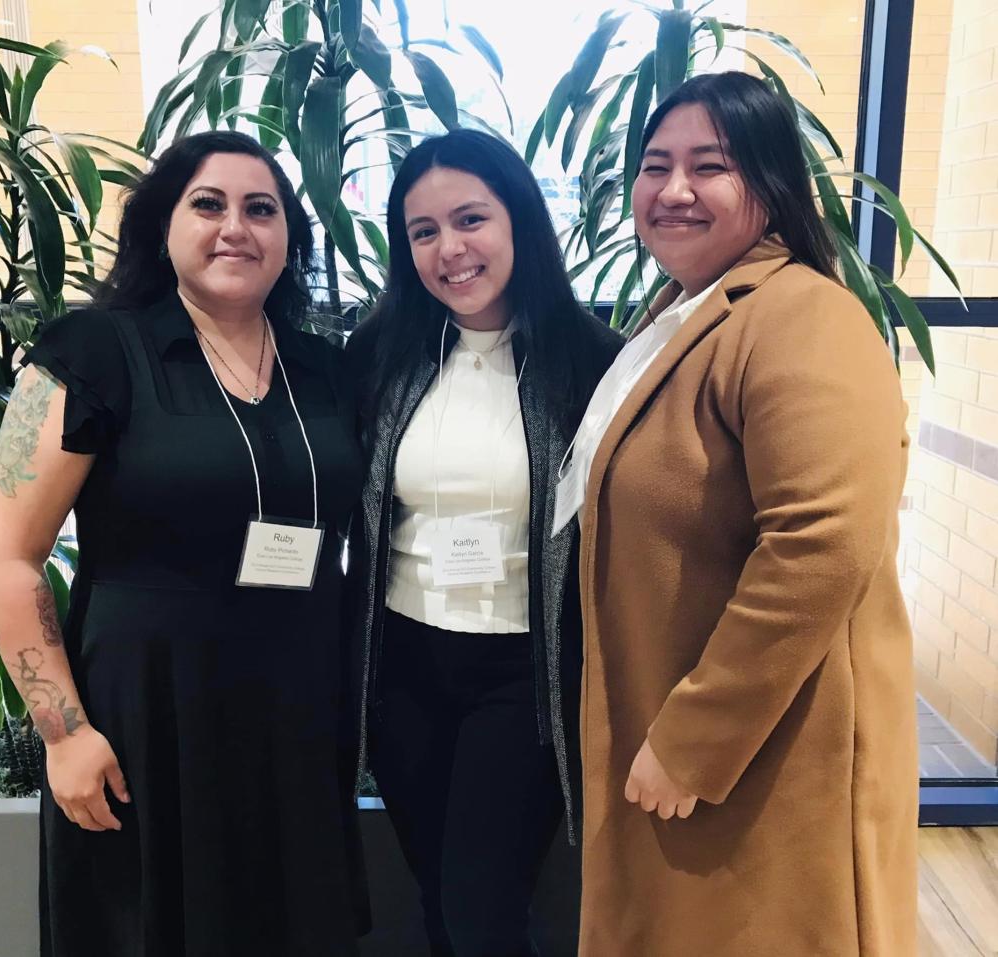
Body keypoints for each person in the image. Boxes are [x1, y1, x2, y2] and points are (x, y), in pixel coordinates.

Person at [0, 130, 366, 956]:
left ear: (289, 237)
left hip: (293, 718)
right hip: (146, 720)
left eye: (262, 209)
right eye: (208, 204)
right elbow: (6, 547)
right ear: (163, 225)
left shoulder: (323, 369)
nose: (237, 227)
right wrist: (63, 732)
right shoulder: (91, 352)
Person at [567, 72, 917, 955]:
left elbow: (821, 542)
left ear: (769, 184)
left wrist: (695, 738)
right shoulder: (686, 313)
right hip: (684, 722)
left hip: (765, 747)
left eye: (708, 165)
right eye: (655, 165)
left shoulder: (806, 316)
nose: (673, 190)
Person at [344, 128, 622, 957]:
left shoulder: (592, 363)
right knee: (436, 892)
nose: (449, 249)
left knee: (482, 909)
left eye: (471, 219)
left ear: (518, 222)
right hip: (404, 668)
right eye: (423, 231)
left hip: (521, 675)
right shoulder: (380, 355)